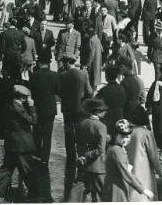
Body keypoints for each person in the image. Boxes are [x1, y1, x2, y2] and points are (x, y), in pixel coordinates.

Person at [0, 85, 52, 202]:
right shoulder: (18, 108)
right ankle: (35, 193)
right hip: (21, 144)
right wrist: (32, 106)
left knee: (7, 169)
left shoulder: (12, 104)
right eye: (26, 97)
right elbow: (33, 120)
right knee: (27, 169)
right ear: (22, 97)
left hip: (13, 142)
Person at [59, 52, 93, 201]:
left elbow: (59, 93)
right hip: (80, 110)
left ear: (66, 62)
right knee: (80, 135)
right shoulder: (83, 74)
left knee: (68, 135)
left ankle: (71, 160)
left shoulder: (62, 75)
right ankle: (81, 157)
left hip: (67, 110)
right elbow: (90, 92)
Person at [102, 119, 154, 202]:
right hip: (117, 190)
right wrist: (143, 190)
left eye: (128, 137)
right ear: (115, 136)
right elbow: (126, 173)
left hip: (113, 187)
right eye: (122, 137)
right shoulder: (117, 150)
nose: (126, 140)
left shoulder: (115, 147)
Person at [28, 51, 60, 164]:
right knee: (48, 135)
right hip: (50, 109)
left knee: (37, 132)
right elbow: (58, 92)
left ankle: (37, 153)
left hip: (37, 108)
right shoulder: (55, 75)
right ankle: (45, 158)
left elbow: (30, 92)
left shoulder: (34, 75)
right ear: (49, 62)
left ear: (39, 63)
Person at [126, 106, 162, 201]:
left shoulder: (127, 133)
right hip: (144, 170)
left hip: (129, 168)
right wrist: (159, 171)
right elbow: (153, 155)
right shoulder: (147, 133)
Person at [76, 98, 108, 203]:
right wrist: (87, 155)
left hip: (84, 165)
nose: (105, 112)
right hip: (98, 166)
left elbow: (79, 143)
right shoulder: (101, 126)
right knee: (100, 195)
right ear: (97, 112)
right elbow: (100, 149)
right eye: (103, 110)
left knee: (87, 192)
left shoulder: (82, 123)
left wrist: (82, 156)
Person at [96, 65, 127, 137]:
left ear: (106, 77)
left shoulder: (104, 90)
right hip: (119, 116)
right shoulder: (121, 88)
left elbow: (96, 103)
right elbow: (124, 101)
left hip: (108, 118)